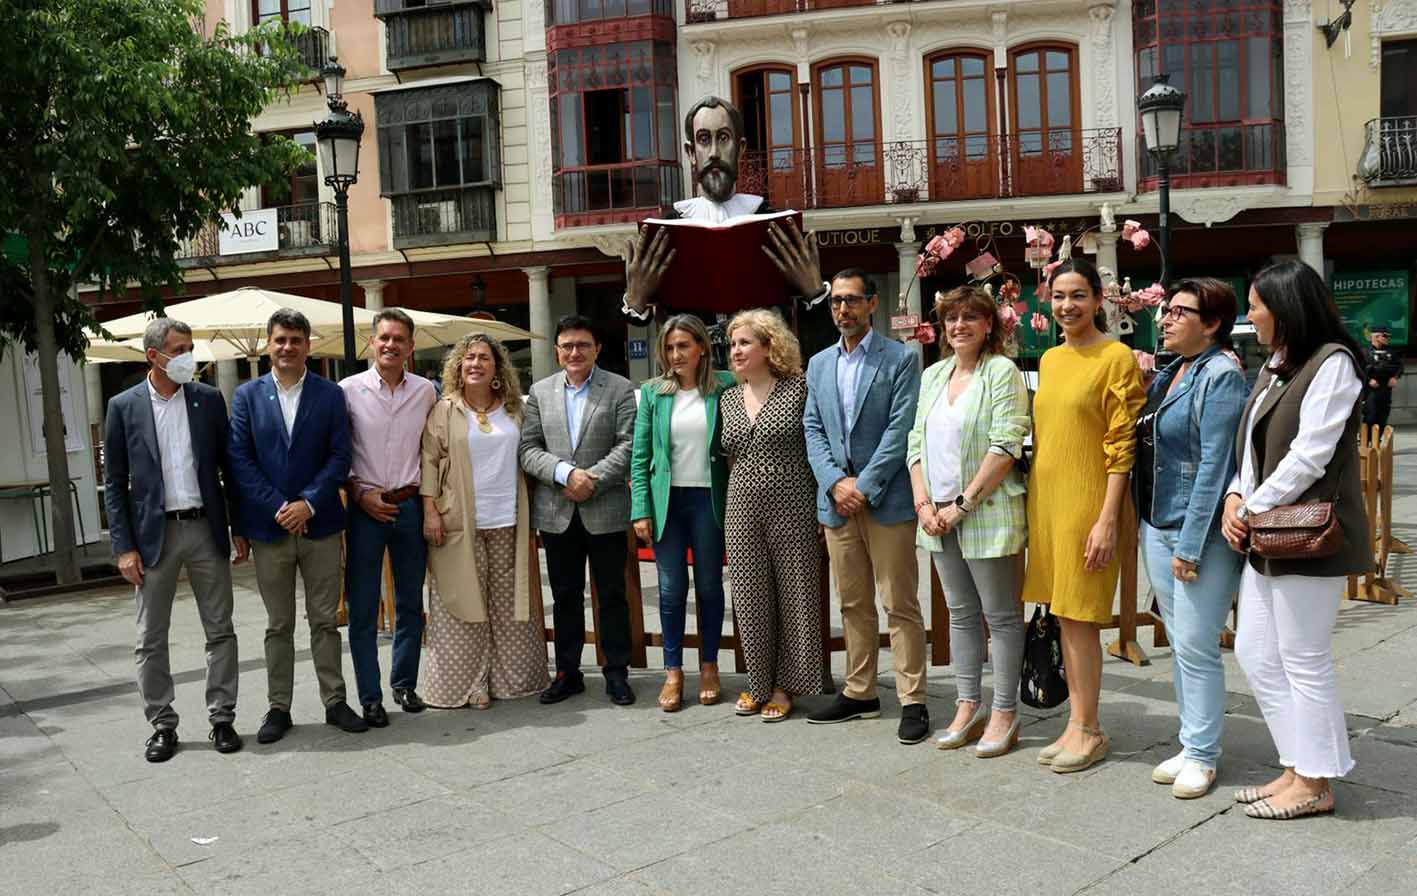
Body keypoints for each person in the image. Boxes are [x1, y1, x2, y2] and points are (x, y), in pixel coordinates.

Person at [1221, 260, 1371, 820]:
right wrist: (1238, 497)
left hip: (1309, 533)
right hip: (1265, 530)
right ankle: (1295, 766)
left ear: (1285, 308)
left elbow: (1310, 455)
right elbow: (1251, 452)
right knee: (1256, 651)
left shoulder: (1333, 364)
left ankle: (1316, 782)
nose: (1250, 314)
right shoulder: (1276, 364)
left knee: (1303, 657)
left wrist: (1252, 509)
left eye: (1257, 304)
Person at [103, 318, 247, 762]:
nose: (189, 356)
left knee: (220, 628)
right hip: (153, 534)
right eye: (180, 349)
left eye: (190, 347)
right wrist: (123, 547)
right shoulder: (123, 406)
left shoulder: (207, 400)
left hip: (205, 527)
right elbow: (114, 481)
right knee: (150, 635)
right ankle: (162, 724)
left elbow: (229, 467)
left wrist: (237, 526)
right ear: (154, 356)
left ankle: (222, 717)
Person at [1024, 258, 1145, 774]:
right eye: (1058, 296)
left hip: (1090, 503)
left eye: (1077, 295)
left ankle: (1090, 728)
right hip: (1048, 504)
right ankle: (1076, 722)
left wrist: (1107, 518)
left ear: (1099, 300)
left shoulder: (1116, 358)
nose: (1067, 306)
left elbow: (1122, 445)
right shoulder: (1050, 359)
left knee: (1082, 618)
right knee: (1064, 617)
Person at [802, 268, 929, 744]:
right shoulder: (818, 365)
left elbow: (901, 431)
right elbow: (812, 429)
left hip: (887, 499)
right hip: (837, 503)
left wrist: (865, 485)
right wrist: (836, 483)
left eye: (852, 300)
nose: (842, 309)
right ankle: (860, 691)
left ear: (873, 304)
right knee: (853, 602)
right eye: (836, 301)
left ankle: (912, 697)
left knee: (899, 603)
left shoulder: (900, 359)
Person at [1133, 279, 1248, 799]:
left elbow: (1214, 467)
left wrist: (1190, 545)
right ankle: (1191, 740)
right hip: (1158, 522)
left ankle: (1203, 753)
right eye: (1166, 310)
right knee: (1181, 643)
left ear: (1213, 322)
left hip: (1193, 530)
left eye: (1180, 311)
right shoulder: (1173, 371)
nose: (1167, 318)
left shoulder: (1221, 375)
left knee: (1198, 645)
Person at [229, 308, 364, 743]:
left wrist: (308, 503)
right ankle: (278, 707)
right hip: (270, 529)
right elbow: (240, 461)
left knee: (324, 619)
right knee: (278, 624)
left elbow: (340, 456)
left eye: (295, 340)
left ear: (309, 345)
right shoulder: (247, 396)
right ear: (269, 343)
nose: (287, 347)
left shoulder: (329, 395)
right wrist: (280, 507)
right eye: (280, 339)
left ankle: (335, 700)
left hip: (321, 523)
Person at [906, 287, 1030, 757]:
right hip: (935, 512)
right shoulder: (934, 374)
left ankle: (1004, 709)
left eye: (970, 318)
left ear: (988, 325)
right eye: (951, 318)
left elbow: (1006, 444)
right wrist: (923, 504)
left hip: (984, 509)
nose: (959, 326)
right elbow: (915, 441)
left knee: (999, 615)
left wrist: (962, 504)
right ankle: (967, 704)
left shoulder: (1002, 372)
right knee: (959, 612)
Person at [420, 334, 549, 709]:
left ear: (497, 369)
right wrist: (430, 512)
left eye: (484, 358)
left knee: (511, 607)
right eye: (469, 357)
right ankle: (470, 685)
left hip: (509, 520)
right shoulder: (445, 409)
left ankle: (511, 679)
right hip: (460, 522)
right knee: (461, 605)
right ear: (459, 366)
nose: (475, 363)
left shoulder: (514, 410)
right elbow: (428, 461)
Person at [621, 95, 828, 323]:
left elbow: (816, 323)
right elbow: (640, 324)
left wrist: (813, 290)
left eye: (723, 138)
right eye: (703, 139)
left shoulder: (773, 224)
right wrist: (635, 298)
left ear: (740, 148)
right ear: (690, 152)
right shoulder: (666, 230)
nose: (714, 153)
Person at [519, 314, 639, 706]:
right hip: (557, 509)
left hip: (604, 507)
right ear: (557, 352)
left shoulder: (620, 388)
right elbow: (528, 448)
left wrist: (593, 479)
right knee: (565, 595)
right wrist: (566, 473)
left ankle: (617, 672)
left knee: (612, 595)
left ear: (597, 349)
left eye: (583, 345)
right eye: (567, 346)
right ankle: (568, 672)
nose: (575, 352)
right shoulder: (539, 392)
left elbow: (628, 444)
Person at [720, 309, 823, 722]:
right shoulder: (728, 397)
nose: (736, 350)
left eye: (745, 342)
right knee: (748, 596)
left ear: (769, 345)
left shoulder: (798, 389)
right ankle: (758, 681)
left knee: (796, 595)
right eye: (732, 344)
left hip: (794, 501)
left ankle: (787, 685)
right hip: (741, 504)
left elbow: (815, 444)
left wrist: (820, 504)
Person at [630, 315, 736, 712]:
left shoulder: (725, 386)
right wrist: (641, 509)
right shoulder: (653, 393)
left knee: (709, 587)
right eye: (670, 348)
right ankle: (673, 671)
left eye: (683, 346)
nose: (676, 355)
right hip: (668, 504)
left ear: (702, 348)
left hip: (709, 501)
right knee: (672, 590)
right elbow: (641, 457)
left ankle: (709, 666)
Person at [339, 309, 437, 726]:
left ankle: (404, 683)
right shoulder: (346, 391)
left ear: (411, 347)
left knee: (410, 602)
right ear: (371, 342)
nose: (390, 344)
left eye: (399, 338)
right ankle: (370, 696)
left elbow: (435, 451)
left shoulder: (427, 392)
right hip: (364, 508)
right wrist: (359, 493)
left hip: (409, 506)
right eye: (383, 337)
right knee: (362, 607)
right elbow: (335, 454)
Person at [1361, 324, 1403, 430]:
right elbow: (1358, 369)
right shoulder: (1365, 352)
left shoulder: (1391, 352)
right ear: (1376, 337)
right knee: (1370, 415)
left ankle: (1377, 442)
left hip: (1385, 388)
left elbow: (1399, 366)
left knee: (1383, 415)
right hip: (1370, 390)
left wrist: (1395, 377)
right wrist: (1369, 380)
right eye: (1385, 336)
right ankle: (1365, 441)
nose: (1387, 338)